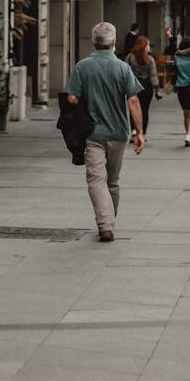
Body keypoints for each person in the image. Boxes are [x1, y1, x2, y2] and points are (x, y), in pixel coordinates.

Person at [65, 22, 145, 243]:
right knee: (113, 181)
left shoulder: (82, 67)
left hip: (93, 132)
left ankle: (105, 223)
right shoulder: (122, 67)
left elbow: (71, 97)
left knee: (95, 179)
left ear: (94, 42)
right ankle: (108, 222)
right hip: (119, 132)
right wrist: (139, 132)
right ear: (113, 42)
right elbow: (133, 100)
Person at [125, 36, 161, 138]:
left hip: (132, 85)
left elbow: (125, 71)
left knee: (133, 108)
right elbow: (153, 76)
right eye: (148, 45)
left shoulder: (130, 57)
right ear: (144, 46)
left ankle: (133, 131)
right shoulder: (150, 59)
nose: (149, 47)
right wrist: (157, 90)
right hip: (146, 86)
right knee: (144, 110)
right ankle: (143, 133)